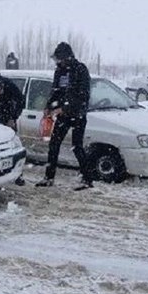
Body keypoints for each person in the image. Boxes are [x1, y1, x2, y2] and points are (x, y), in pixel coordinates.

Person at [35, 42, 93, 190]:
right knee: (54, 144)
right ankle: (49, 177)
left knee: (77, 147)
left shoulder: (80, 69)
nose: (58, 62)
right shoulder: (59, 72)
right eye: (56, 59)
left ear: (67, 57)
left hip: (77, 114)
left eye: (59, 58)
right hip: (62, 115)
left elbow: (83, 95)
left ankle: (87, 179)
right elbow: (55, 91)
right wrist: (49, 106)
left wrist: (65, 107)